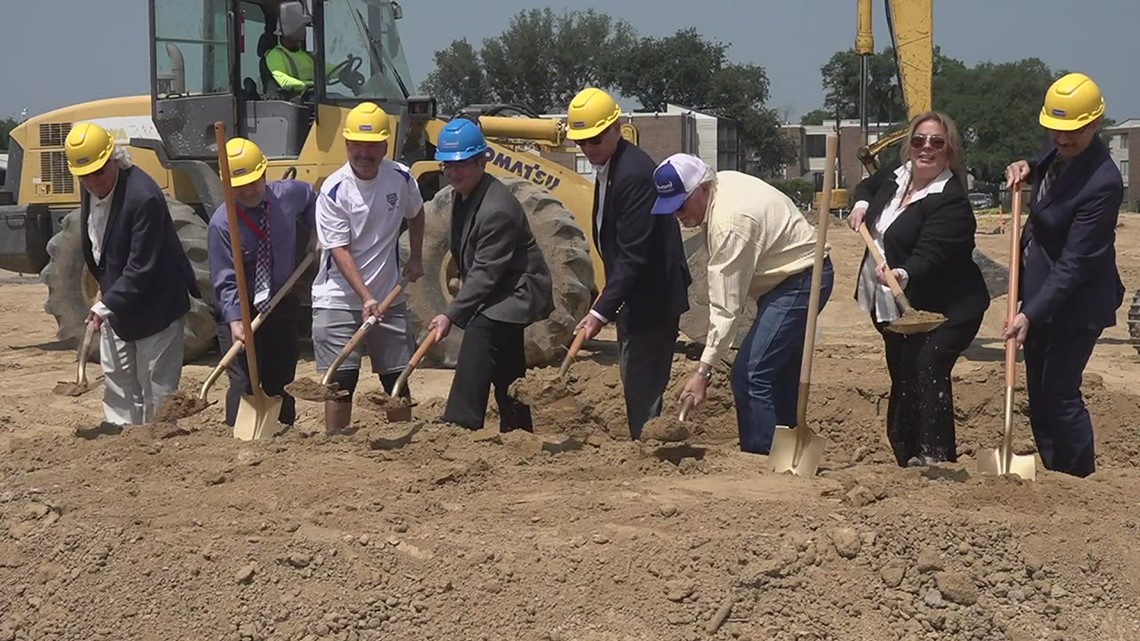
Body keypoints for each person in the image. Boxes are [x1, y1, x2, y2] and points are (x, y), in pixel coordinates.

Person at [654, 153, 833, 454]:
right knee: (777, 373)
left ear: (703, 188)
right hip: (788, 278)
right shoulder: (721, 186)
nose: (677, 216)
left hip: (801, 282)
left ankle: (758, 459)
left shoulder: (729, 223)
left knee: (750, 373)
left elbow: (726, 308)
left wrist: (702, 372)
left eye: (681, 206)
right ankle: (787, 455)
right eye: (670, 210)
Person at [846, 111, 990, 467]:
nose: (926, 148)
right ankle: (905, 452)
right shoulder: (898, 177)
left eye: (936, 142)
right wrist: (862, 203)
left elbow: (932, 251)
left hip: (949, 307)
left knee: (927, 367)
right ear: (909, 145)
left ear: (950, 150)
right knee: (903, 374)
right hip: (895, 307)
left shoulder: (950, 200)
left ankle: (936, 457)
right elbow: (868, 186)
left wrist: (903, 273)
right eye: (919, 140)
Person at [1002, 72, 1123, 478]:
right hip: (1041, 293)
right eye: (1055, 131)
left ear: (1095, 124)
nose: (1062, 139)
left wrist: (1029, 314)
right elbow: (1048, 159)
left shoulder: (1103, 183)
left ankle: (1078, 479)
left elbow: (1075, 263)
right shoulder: (1060, 147)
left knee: (1059, 393)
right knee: (1038, 393)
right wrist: (1027, 165)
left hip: (1077, 303)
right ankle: (1054, 473)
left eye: (1073, 132)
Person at [564, 87, 691, 440]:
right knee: (635, 378)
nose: (588, 149)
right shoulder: (611, 166)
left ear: (616, 127)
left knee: (642, 380)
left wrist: (600, 311)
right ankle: (644, 440)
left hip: (653, 296)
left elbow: (635, 253)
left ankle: (649, 449)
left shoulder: (634, 174)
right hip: (635, 294)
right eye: (581, 142)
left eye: (594, 139)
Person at [65, 122, 201, 426]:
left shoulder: (143, 198)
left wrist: (104, 305)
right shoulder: (90, 185)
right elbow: (100, 246)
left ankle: (160, 446)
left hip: (157, 304)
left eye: (98, 172)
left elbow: (142, 267)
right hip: (119, 301)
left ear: (113, 158)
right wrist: (107, 294)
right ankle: (121, 444)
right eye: (83, 175)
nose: (91, 181)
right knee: (118, 383)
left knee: (157, 387)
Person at [427, 118, 554, 432]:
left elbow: (486, 272)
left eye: (463, 165)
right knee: (507, 355)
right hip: (500, 287)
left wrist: (450, 315)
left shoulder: (497, 208)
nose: (454, 172)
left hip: (519, 289)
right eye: (448, 165)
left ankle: (461, 420)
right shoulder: (462, 195)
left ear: (482, 161)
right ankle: (518, 426)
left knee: (481, 332)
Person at [311, 102, 425, 434]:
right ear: (346, 144)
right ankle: (336, 446)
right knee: (340, 383)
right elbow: (340, 250)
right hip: (340, 300)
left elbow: (416, 213)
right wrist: (365, 298)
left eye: (372, 144)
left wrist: (415, 256)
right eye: (357, 145)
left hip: (388, 294)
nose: (364, 152)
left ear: (384, 146)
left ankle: (403, 439)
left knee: (397, 378)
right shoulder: (333, 191)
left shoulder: (401, 178)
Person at [207, 137, 316, 429]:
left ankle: (283, 433)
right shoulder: (222, 224)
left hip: (281, 301)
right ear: (226, 185)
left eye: (254, 181)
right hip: (242, 311)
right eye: (239, 186)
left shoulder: (288, 195)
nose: (249, 190)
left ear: (264, 174)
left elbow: (311, 199)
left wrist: (314, 232)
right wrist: (234, 320)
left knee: (279, 378)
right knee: (244, 381)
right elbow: (224, 279)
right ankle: (238, 436)